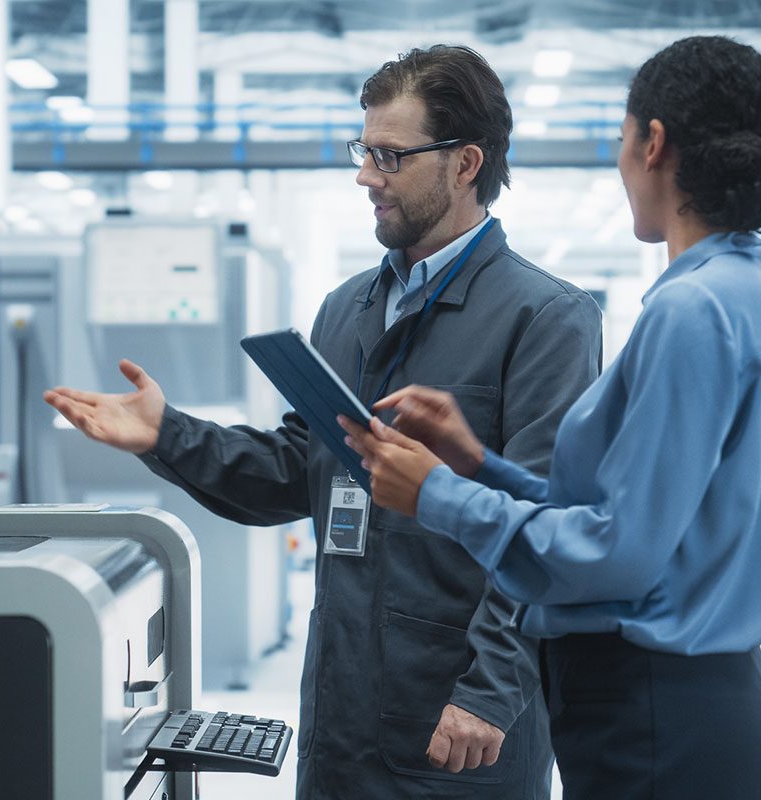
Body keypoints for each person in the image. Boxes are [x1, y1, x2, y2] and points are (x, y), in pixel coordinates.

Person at [46, 45, 602, 798]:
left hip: (459, 733)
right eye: (364, 151)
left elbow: (543, 527)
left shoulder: (544, 319)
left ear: (466, 164)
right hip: (343, 721)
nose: (365, 176)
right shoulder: (349, 308)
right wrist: (163, 433)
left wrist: (488, 694)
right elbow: (294, 470)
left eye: (389, 156)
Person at [343, 35, 761, 800]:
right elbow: (644, 516)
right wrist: (480, 464)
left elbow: (620, 553)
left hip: (656, 708)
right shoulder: (739, 287)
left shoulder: (693, 308)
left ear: (654, 143)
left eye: (623, 137)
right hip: (683, 698)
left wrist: (439, 495)